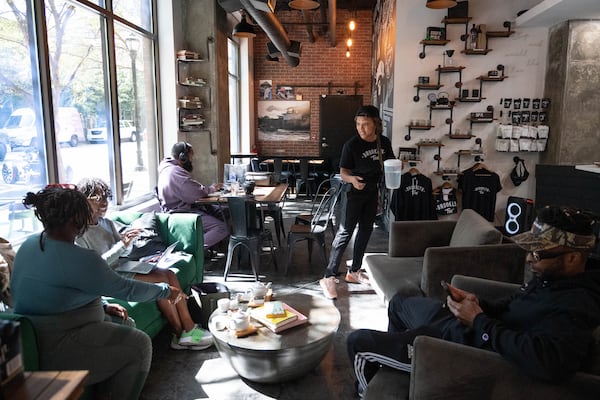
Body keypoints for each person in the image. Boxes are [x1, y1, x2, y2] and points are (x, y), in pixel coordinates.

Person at [347, 205, 600, 397]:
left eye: (538, 253)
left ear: (573, 259)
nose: (529, 260)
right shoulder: (549, 279)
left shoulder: (576, 305)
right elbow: (512, 306)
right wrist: (478, 303)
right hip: (464, 327)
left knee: (358, 342)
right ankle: (406, 362)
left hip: (459, 349)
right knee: (399, 302)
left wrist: (479, 321)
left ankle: (374, 383)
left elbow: (549, 364)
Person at [10, 185, 184, 399]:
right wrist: (166, 291)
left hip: (36, 337)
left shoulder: (29, 245)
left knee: (125, 323)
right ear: (77, 218)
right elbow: (126, 289)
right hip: (58, 345)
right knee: (140, 346)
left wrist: (103, 305)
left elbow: (54, 291)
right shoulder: (79, 258)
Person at [75, 177, 213, 351]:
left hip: (122, 266)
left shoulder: (107, 223)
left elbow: (122, 253)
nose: (104, 203)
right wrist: (121, 245)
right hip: (107, 276)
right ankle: (180, 333)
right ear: (83, 201)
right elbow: (98, 266)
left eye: (105, 198)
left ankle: (188, 328)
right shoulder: (80, 233)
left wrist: (128, 242)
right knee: (160, 281)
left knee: (168, 273)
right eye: (98, 199)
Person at [320, 105, 395, 300]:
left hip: (371, 193)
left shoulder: (383, 143)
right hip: (352, 193)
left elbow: (389, 164)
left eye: (366, 124)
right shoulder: (351, 145)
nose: (361, 128)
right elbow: (343, 172)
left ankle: (354, 271)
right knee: (345, 233)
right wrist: (353, 180)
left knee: (365, 231)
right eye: (359, 124)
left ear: (376, 125)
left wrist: (397, 167)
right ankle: (328, 276)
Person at [157, 142, 229, 249]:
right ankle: (193, 249)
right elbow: (195, 193)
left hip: (178, 210)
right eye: (191, 156)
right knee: (221, 228)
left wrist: (209, 188)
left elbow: (191, 189)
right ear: (183, 157)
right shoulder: (175, 172)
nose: (192, 159)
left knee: (224, 212)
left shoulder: (168, 169)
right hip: (181, 213)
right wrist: (212, 189)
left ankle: (219, 247)